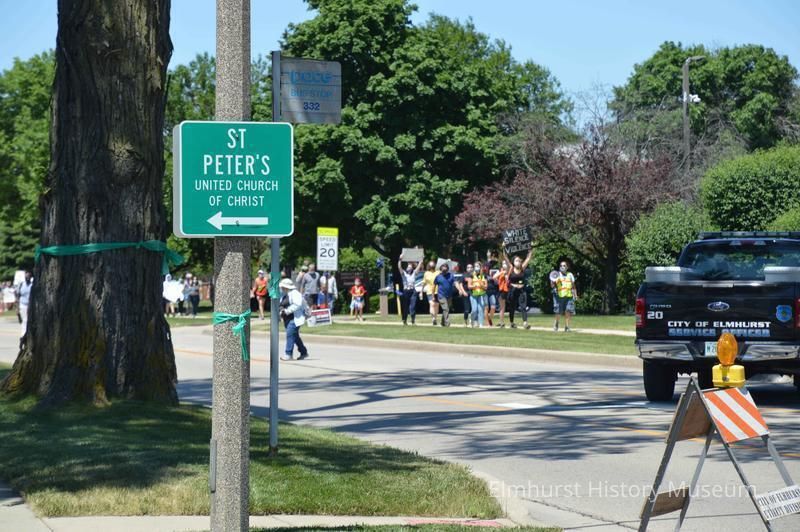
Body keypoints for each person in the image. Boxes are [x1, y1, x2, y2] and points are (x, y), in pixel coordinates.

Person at [502, 246, 534, 329]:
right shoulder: (511, 268)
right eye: (516, 261)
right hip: (513, 290)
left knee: (523, 306)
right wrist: (504, 248)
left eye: (519, 261)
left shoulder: (522, 268)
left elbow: (528, 258)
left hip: (521, 290)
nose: (518, 262)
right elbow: (505, 257)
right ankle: (512, 322)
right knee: (512, 307)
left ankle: (525, 323)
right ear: (513, 262)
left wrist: (530, 250)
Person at [278, 278, 309, 361]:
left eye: (283, 287)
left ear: (287, 287)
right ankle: (303, 352)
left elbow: (297, 304)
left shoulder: (295, 293)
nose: (281, 288)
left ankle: (288, 354)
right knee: (294, 336)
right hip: (287, 319)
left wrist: (287, 311)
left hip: (295, 318)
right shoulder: (284, 294)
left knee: (290, 334)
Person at [398, 253, 423, 325]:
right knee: (405, 306)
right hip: (406, 291)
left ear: (412, 268)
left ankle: (413, 320)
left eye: (410, 267)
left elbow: (419, 266)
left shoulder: (414, 273)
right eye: (408, 267)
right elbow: (399, 267)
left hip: (413, 291)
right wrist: (400, 259)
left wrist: (421, 260)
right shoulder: (404, 274)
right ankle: (404, 320)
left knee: (413, 306)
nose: (408, 268)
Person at [552, 260, 578, 331]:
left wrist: (575, 295)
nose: (562, 267)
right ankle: (556, 323)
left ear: (567, 267)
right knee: (558, 312)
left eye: (564, 265)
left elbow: (573, 286)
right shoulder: (557, 274)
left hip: (569, 296)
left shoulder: (570, 275)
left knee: (568, 311)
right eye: (561, 265)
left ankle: (567, 327)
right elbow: (552, 286)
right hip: (559, 296)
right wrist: (553, 281)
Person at [433, 262, 456, 327]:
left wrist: (459, 289)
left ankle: (442, 322)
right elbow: (434, 286)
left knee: (446, 309)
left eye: (445, 267)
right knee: (446, 309)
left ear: (447, 268)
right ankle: (447, 323)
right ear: (441, 268)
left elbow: (455, 283)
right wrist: (433, 295)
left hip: (449, 295)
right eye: (443, 267)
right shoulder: (438, 277)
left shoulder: (451, 275)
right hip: (441, 295)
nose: (444, 268)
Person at [15, 271, 33, 344]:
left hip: (31, 305)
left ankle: (28, 336)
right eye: (26, 277)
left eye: (28, 276)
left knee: (29, 321)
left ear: (30, 277)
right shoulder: (21, 285)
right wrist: (17, 308)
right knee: (25, 321)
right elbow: (18, 296)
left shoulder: (32, 285)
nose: (27, 278)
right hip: (23, 305)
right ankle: (23, 336)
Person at [469, 261, 488, 328]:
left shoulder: (483, 275)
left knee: (480, 309)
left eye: (478, 266)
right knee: (474, 310)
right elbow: (469, 286)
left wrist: (481, 285)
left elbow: (486, 287)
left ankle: (480, 324)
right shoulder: (471, 275)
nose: (476, 267)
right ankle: (472, 319)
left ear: (480, 267)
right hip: (473, 295)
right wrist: (474, 286)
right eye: (475, 266)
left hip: (481, 295)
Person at [493, 261, 510, 328]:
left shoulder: (509, 271)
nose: (504, 265)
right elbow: (494, 277)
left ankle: (502, 322)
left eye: (505, 263)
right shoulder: (500, 271)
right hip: (502, 290)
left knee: (504, 307)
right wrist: (502, 272)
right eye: (503, 264)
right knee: (502, 307)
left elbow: (508, 280)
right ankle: (501, 322)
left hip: (507, 290)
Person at [422, 261, 439, 325]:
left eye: (433, 265)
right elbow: (424, 282)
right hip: (429, 291)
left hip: (437, 291)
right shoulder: (426, 273)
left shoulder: (438, 272)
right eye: (431, 265)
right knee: (432, 304)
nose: (432, 266)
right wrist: (421, 291)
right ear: (428, 266)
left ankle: (435, 318)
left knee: (436, 305)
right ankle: (433, 318)